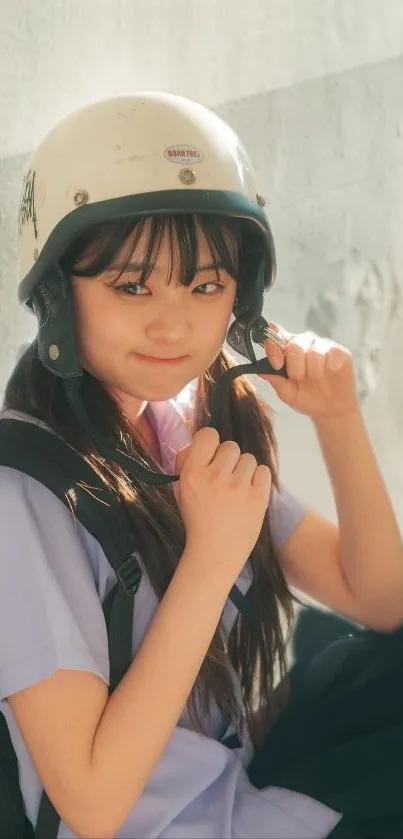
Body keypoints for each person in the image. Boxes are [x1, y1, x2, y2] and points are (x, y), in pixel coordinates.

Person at [1, 91, 402, 839]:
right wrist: (210, 559)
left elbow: (380, 599)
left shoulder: (177, 425)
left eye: (206, 284)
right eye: (131, 284)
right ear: (58, 292)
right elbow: (89, 804)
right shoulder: (22, 491)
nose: (174, 322)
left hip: (238, 789)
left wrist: (338, 421)